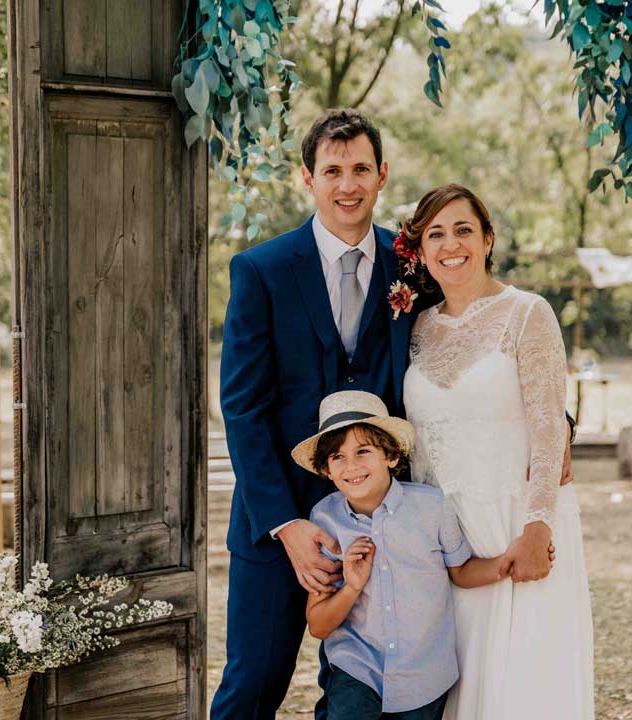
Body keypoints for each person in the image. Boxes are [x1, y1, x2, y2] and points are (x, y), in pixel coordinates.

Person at [211, 109, 412, 720]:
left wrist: (555, 422)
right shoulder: (262, 270)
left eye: (360, 169)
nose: (347, 185)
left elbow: (468, 338)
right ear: (308, 178)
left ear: (382, 175)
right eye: (332, 171)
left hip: (379, 523)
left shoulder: (413, 263)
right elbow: (242, 407)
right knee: (252, 685)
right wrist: (286, 525)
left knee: (359, 694)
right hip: (277, 521)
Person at [397, 184, 595, 719]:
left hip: (517, 523)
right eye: (436, 234)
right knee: (459, 687)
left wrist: (537, 527)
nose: (451, 244)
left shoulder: (528, 313)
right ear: (421, 249)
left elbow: (550, 426)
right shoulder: (416, 327)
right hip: (449, 541)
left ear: (487, 239)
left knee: (523, 686)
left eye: (464, 230)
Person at [291, 391, 509, 720]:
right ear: (326, 470)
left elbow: (462, 571)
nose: (351, 466)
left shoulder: (432, 507)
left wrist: (508, 563)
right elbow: (319, 626)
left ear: (391, 456)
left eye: (363, 451)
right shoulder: (324, 520)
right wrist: (352, 587)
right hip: (356, 670)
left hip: (423, 675)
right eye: (337, 457)